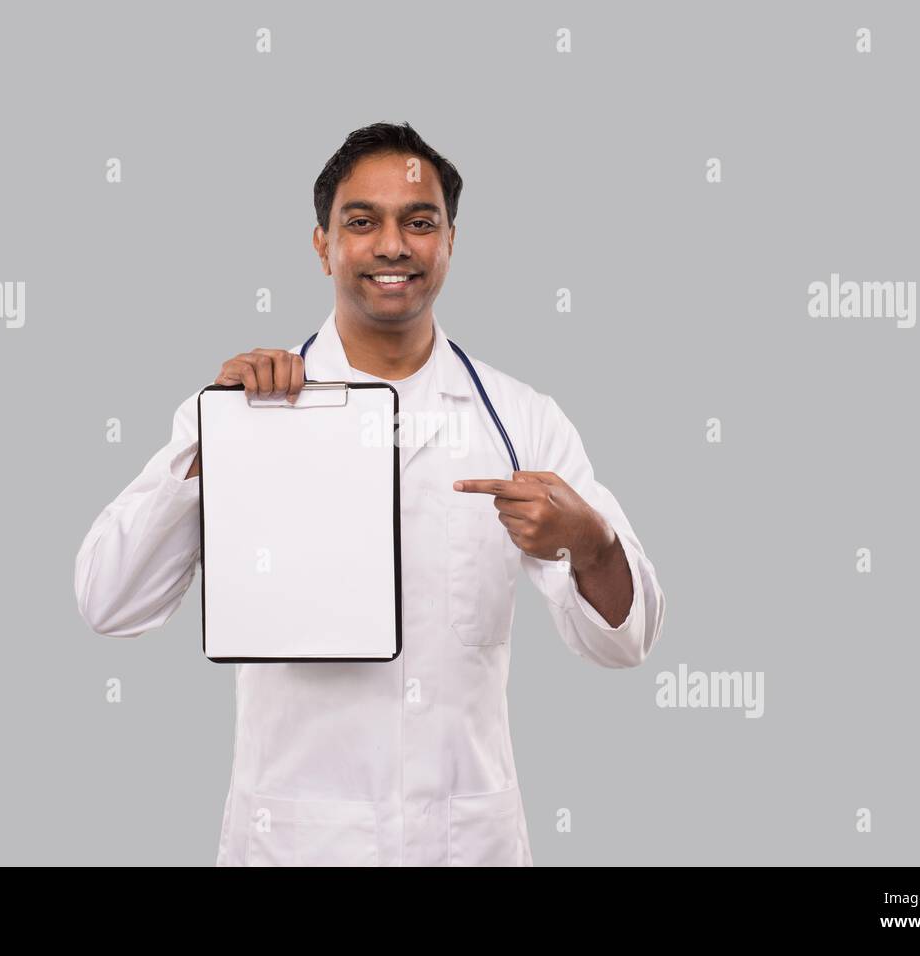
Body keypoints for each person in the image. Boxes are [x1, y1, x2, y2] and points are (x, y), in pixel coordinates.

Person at [74, 121, 667, 866]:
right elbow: (107, 601)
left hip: (466, 845)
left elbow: (626, 641)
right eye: (363, 222)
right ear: (322, 245)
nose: (394, 245)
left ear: (451, 241)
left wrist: (590, 540)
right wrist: (214, 443)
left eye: (421, 222)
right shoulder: (241, 411)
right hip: (294, 843)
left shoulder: (521, 420)